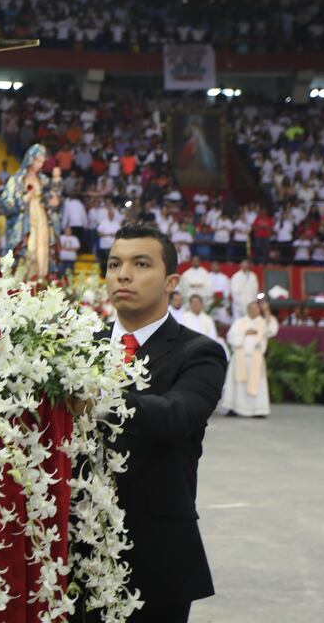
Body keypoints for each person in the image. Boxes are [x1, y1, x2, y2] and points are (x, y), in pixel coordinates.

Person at [101, 224, 225, 620]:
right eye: (114, 264)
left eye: (140, 264)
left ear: (171, 281)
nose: (124, 274)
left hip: (155, 555)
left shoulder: (200, 353)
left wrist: (99, 402)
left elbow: (177, 415)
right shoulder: (75, 345)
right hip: (72, 549)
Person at [0, 144, 61, 280]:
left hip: (42, 218)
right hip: (25, 219)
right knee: (29, 249)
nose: (39, 164)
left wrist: (55, 190)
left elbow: (52, 200)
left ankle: (39, 281)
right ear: (30, 159)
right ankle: (23, 281)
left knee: (42, 250)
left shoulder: (44, 180)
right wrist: (24, 199)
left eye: (42, 162)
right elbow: (5, 203)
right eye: (37, 160)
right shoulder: (16, 180)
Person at [222, 299, 279, 418]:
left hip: (255, 358)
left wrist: (267, 310)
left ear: (259, 310)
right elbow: (231, 336)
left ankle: (257, 410)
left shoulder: (262, 322)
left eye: (256, 308)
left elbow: (272, 330)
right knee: (237, 384)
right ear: (247, 310)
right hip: (239, 357)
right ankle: (234, 408)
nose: (253, 310)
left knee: (256, 383)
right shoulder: (239, 322)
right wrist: (245, 333)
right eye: (251, 308)